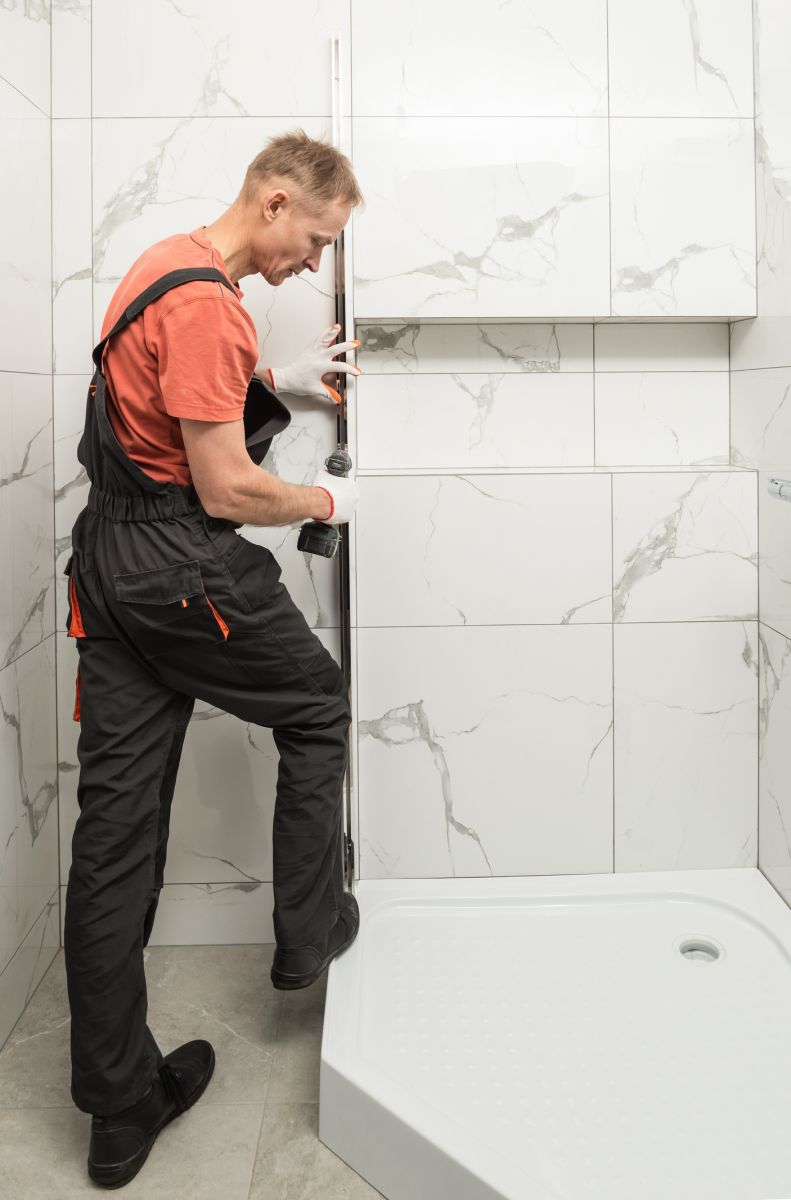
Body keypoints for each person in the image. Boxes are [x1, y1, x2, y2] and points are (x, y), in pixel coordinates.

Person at [62, 128, 365, 1189]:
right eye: (315, 240)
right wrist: (326, 499)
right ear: (275, 201)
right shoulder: (207, 305)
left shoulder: (163, 266)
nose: (313, 264)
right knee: (317, 707)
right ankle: (310, 929)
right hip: (176, 569)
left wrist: (272, 377)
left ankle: (118, 1109)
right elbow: (224, 488)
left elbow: (162, 412)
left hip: (109, 572)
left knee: (114, 836)